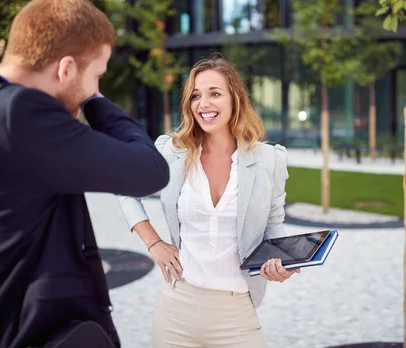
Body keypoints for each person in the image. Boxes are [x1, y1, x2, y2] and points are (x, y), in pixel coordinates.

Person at [0, 0, 170, 348]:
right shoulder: (21, 115)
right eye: (97, 75)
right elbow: (150, 170)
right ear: (66, 68)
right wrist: (94, 102)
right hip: (43, 336)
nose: (95, 87)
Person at [118, 54, 299, 348]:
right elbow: (125, 190)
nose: (204, 104)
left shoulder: (269, 159)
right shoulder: (172, 151)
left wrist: (281, 263)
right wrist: (154, 243)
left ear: (235, 99)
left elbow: (274, 224)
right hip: (177, 310)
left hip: (238, 314)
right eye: (196, 96)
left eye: (215, 93)